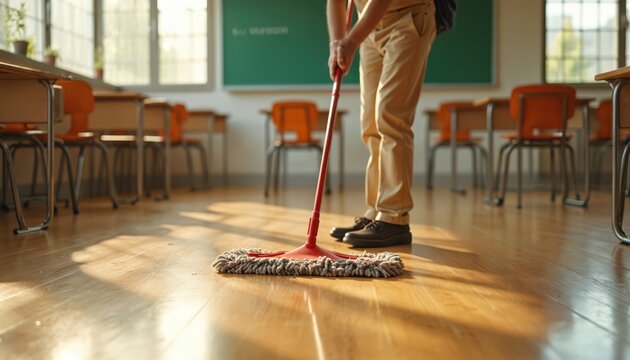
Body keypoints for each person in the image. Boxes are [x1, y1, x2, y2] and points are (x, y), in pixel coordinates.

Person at [327, 0, 436, 247]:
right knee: (370, 124)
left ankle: (394, 217)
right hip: (368, 27)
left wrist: (350, 41)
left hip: (408, 16)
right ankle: (375, 211)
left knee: (390, 116)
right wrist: (337, 43)